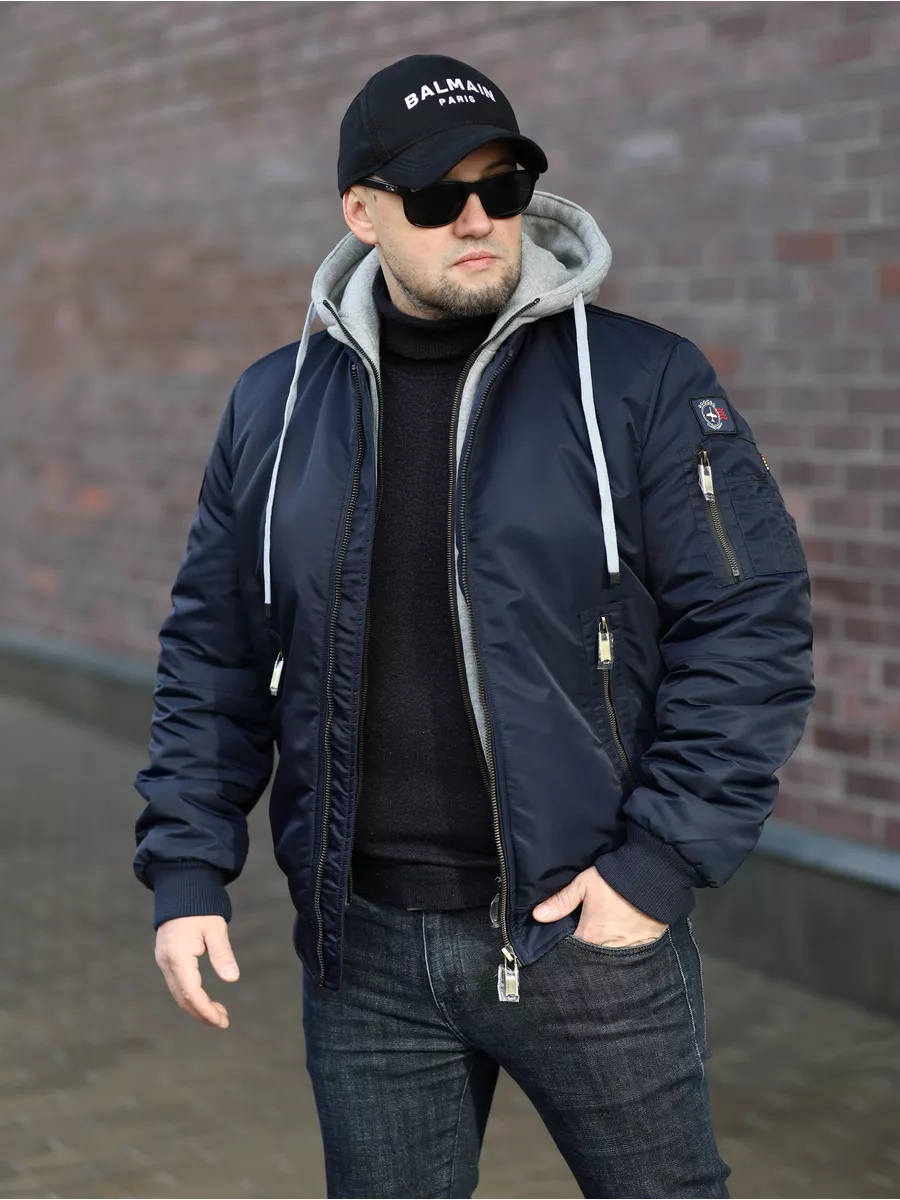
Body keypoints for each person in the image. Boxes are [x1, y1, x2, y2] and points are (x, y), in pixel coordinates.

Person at [134, 53, 814, 1199]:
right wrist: (189, 869)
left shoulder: (641, 382)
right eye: (436, 196)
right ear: (361, 212)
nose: (477, 220)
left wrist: (656, 865)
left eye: (502, 189)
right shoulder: (274, 406)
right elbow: (215, 655)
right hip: (363, 951)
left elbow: (749, 628)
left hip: (581, 934)